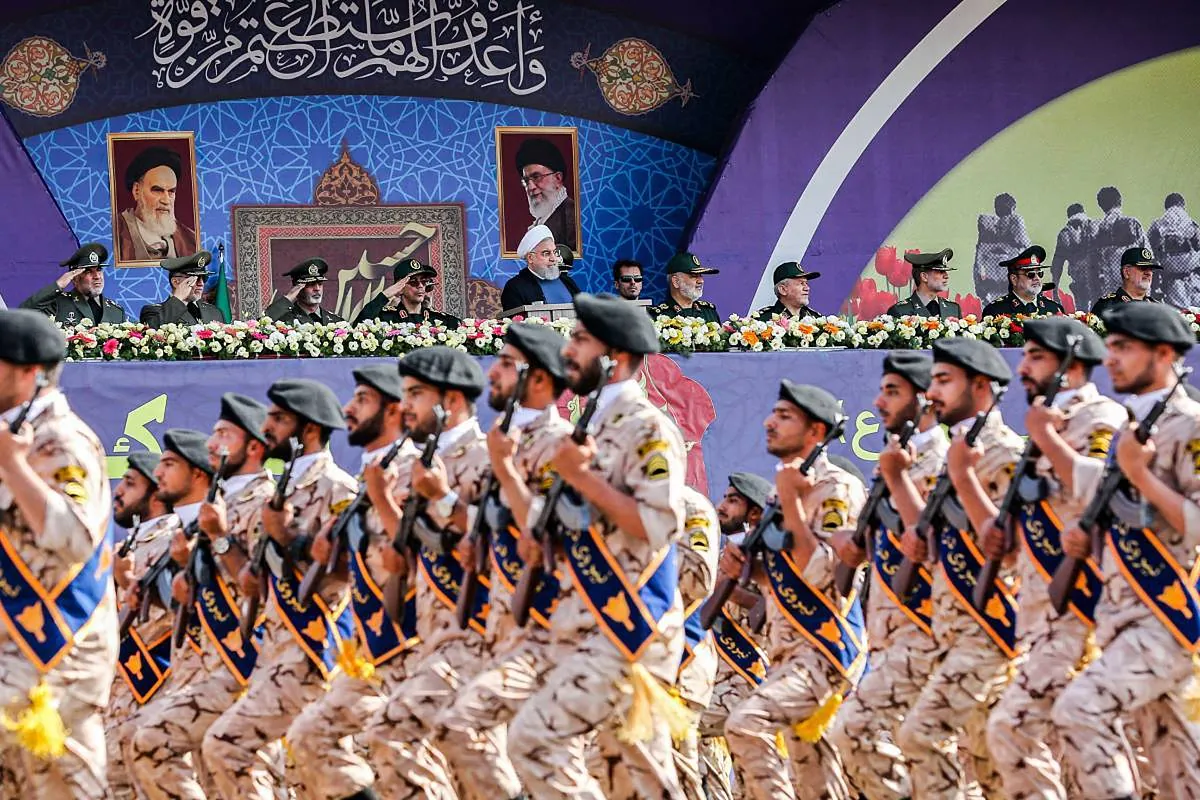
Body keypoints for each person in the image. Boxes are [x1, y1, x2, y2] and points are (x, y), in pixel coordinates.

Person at [507, 292, 689, 798]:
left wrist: (580, 477)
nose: (568, 350)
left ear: (616, 356)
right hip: (587, 619)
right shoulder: (590, 424)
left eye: (581, 340)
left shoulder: (648, 428)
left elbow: (657, 524)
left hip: (631, 624)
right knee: (629, 780)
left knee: (532, 740)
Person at [1052, 303, 1200, 799]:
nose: (1110, 358)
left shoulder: (1190, 425)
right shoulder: (1133, 425)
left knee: (1079, 710)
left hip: (1170, 619)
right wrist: (1089, 540)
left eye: (1124, 347)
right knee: (1177, 769)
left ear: (1164, 354)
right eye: (1110, 346)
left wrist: (1139, 474)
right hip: (1124, 614)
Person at [983, 317, 1125, 799]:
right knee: (1074, 747)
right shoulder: (1045, 423)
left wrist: (1046, 438)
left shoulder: (1100, 417)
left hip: (1084, 611)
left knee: (1013, 726)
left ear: (1071, 365)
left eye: (1036, 357)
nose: (1022, 367)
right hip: (1040, 611)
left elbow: (1100, 492)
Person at [434, 322, 574, 799]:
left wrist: (505, 469)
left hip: (548, 630)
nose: (492, 373)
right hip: (502, 625)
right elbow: (498, 522)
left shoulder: (560, 444)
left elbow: (556, 533)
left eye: (506, 364)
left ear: (539, 378)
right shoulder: (503, 439)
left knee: (547, 765)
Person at [202, 379, 357, 800]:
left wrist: (289, 537)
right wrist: (220, 541)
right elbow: (251, 581)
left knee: (230, 745)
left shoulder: (337, 487)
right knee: (301, 777)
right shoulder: (281, 490)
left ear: (309, 429)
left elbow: (350, 570)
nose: (266, 427)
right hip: (274, 648)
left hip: (316, 649)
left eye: (279, 418)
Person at [130, 394, 279, 800]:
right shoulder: (216, 506)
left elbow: (261, 586)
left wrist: (220, 537)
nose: (213, 443)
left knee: (246, 774)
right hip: (208, 662)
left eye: (224, 434)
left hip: (250, 661)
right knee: (211, 777)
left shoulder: (267, 501)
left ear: (254, 446)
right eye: (213, 433)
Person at [721, 382, 866, 800]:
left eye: (785, 416)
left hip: (825, 651)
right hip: (788, 650)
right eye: (774, 413)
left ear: (816, 431)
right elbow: (785, 578)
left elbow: (826, 572)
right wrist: (752, 573)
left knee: (745, 724)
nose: (770, 422)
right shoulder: (781, 489)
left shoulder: (837, 488)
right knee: (817, 783)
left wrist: (793, 506)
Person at [895, 338, 1024, 800]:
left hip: (991, 628)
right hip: (953, 625)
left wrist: (964, 476)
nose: (931, 393)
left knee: (920, 736)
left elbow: (1010, 547)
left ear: (981, 386)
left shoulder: (1004, 452)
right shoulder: (958, 451)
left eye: (944, 381)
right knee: (991, 769)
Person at [285, 365, 422, 800]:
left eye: (363, 400)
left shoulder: (417, 469)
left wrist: (381, 498)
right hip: (373, 644)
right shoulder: (371, 477)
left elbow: (430, 556)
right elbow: (360, 566)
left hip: (416, 641)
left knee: (411, 756)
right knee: (310, 736)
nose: (349, 408)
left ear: (394, 411)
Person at [367, 347, 494, 798]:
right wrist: (384, 502)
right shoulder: (417, 464)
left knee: (395, 731)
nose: (405, 407)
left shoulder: (486, 458)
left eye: (416, 394)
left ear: (451, 401)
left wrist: (441, 498)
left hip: (478, 635)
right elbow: (409, 549)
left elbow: (503, 544)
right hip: (430, 633)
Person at [0, 309, 114, 797]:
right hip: (17, 647)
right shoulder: (14, 434)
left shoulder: (62, 439)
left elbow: (77, 538)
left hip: (60, 652)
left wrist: (12, 467)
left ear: (29, 372)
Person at [830, 351, 948, 800]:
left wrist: (897, 479)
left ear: (926, 400)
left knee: (856, 730)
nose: (880, 402)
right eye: (881, 391)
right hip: (890, 633)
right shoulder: (895, 460)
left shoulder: (941, 460)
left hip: (928, 630)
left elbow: (936, 544)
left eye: (893, 392)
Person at [699, 472, 772, 800]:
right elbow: (705, 617)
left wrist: (733, 588)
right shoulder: (726, 555)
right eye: (724, 498)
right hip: (719, 681)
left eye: (732, 501)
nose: (721, 506)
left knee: (675, 717)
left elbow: (770, 614)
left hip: (749, 682)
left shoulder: (770, 557)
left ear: (754, 513)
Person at [106, 452, 175, 800]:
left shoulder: (176, 541)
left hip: (159, 689)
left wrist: (127, 580)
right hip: (118, 697)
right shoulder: (124, 547)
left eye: (130, 484)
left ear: (157, 493)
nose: (118, 491)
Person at [671, 486, 722, 800]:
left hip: (682, 660)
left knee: (679, 772)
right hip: (631, 658)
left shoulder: (690, 506)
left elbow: (700, 580)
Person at [116, 146, 198, 263]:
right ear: (137, 191)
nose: (166, 200)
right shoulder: (115, 232)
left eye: (171, 191)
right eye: (158, 190)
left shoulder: (190, 240)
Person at [20, 242, 126, 326]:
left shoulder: (116, 311)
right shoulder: (58, 304)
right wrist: (58, 285)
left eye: (99, 269)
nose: (97, 276)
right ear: (75, 278)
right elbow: (22, 315)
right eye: (88, 271)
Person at [354, 258, 461, 327]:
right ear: (400, 287)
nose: (420, 286)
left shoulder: (439, 319)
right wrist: (385, 295)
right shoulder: (386, 318)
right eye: (413, 282)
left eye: (424, 281)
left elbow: (463, 330)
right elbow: (359, 325)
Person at [500, 225, 581, 312]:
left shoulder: (567, 281)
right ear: (530, 258)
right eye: (546, 253)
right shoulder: (515, 287)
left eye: (554, 252)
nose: (553, 258)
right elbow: (516, 319)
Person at [516, 137, 576, 249]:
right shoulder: (541, 221)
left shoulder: (573, 217)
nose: (530, 187)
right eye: (526, 181)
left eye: (536, 177)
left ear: (558, 178)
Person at [1092, 186, 1151, 298]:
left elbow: (1094, 263)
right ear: (1120, 201)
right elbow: (1147, 254)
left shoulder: (1097, 230)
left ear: (1101, 205)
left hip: (1110, 285)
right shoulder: (1132, 223)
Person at [139, 251, 225, 327]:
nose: (201, 283)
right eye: (195, 279)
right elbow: (153, 332)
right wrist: (179, 298)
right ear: (176, 282)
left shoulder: (214, 312)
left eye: (204, 278)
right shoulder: (154, 311)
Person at [973, 192, 1031, 303]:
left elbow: (977, 264)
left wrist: (979, 285)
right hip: (1010, 284)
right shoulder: (1016, 223)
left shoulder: (985, 233)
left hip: (993, 285)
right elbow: (1026, 247)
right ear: (1012, 208)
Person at [1148, 193, 1200, 307]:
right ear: (1183, 206)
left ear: (1166, 207)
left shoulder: (1157, 224)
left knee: (1177, 312)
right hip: (1193, 278)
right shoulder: (1192, 224)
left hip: (1171, 279)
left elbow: (1149, 252)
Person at [981, 245, 1064, 317]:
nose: (1037, 278)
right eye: (1030, 274)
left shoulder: (1054, 308)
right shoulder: (996, 311)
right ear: (1014, 279)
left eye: (1040, 273)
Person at [263, 258, 344, 325]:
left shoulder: (336, 322)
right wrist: (289, 298)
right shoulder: (283, 320)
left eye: (320, 284)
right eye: (311, 284)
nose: (317, 288)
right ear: (298, 289)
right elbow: (262, 324)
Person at [884, 249, 962, 318]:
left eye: (945, 271)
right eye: (940, 271)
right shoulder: (900, 311)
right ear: (924, 277)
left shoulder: (953, 309)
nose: (946, 276)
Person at [649, 252, 721, 323]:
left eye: (700, 275)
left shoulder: (709, 312)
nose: (701, 281)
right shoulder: (658, 317)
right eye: (694, 276)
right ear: (676, 281)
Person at [1051, 203, 1099, 311]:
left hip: (1083, 280)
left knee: (1084, 313)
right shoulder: (1096, 226)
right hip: (1094, 280)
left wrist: (1055, 292)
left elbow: (1056, 266)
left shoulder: (1065, 234)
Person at [1091, 247, 1162, 316]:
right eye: (1143, 268)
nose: (1148, 273)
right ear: (1126, 272)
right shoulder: (1106, 306)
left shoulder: (1158, 308)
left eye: (1151, 269)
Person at [750, 262, 821, 322]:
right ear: (782, 290)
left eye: (806, 283)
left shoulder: (817, 320)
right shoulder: (761, 321)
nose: (807, 288)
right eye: (801, 283)